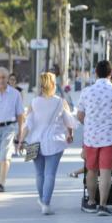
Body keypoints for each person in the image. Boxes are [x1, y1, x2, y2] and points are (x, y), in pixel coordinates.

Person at [77, 60, 112, 216]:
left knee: (91, 170)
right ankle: (102, 206)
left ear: (95, 73)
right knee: (106, 171)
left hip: (91, 137)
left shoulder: (86, 91)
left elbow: (80, 115)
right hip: (111, 136)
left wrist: (89, 123)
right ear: (111, 73)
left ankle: (91, 202)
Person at [17, 72, 76, 215]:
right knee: (50, 174)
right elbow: (69, 121)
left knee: (39, 174)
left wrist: (21, 141)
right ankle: (46, 203)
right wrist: (70, 134)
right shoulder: (60, 102)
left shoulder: (34, 102)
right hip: (55, 142)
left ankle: (42, 200)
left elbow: (28, 124)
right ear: (53, 85)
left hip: (34, 142)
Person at [0, 67, 25, 192]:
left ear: (7, 78)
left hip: (9, 128)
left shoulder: (15, 94)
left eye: (3, 77)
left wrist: (20, 131)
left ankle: (2, 183)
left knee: (5, 155)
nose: (1, 80)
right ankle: (0, 178)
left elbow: (20, 114)